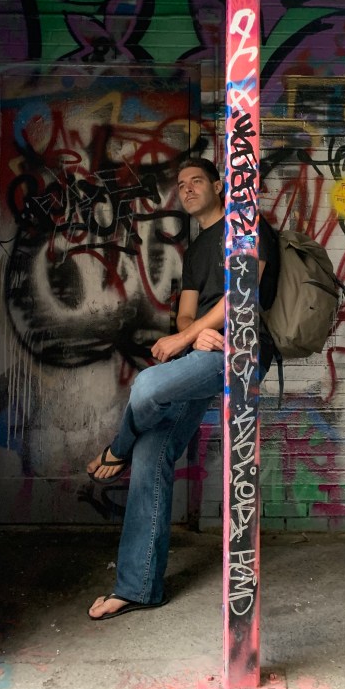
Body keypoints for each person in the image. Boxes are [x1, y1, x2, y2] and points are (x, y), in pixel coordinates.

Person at [86, 157, 278, 620]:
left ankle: (116, 448)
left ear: (218, 184)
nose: (187, 189)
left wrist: (190, 336)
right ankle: (138, 587)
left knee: (147, 386)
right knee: (152, 450)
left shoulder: (248, 226)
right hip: (206, 352)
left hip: (243, 350)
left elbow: (243, 293)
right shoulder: (196, 250)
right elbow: (187, 313)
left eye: (197, 181)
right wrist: (196, 333)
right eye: (181, 184)